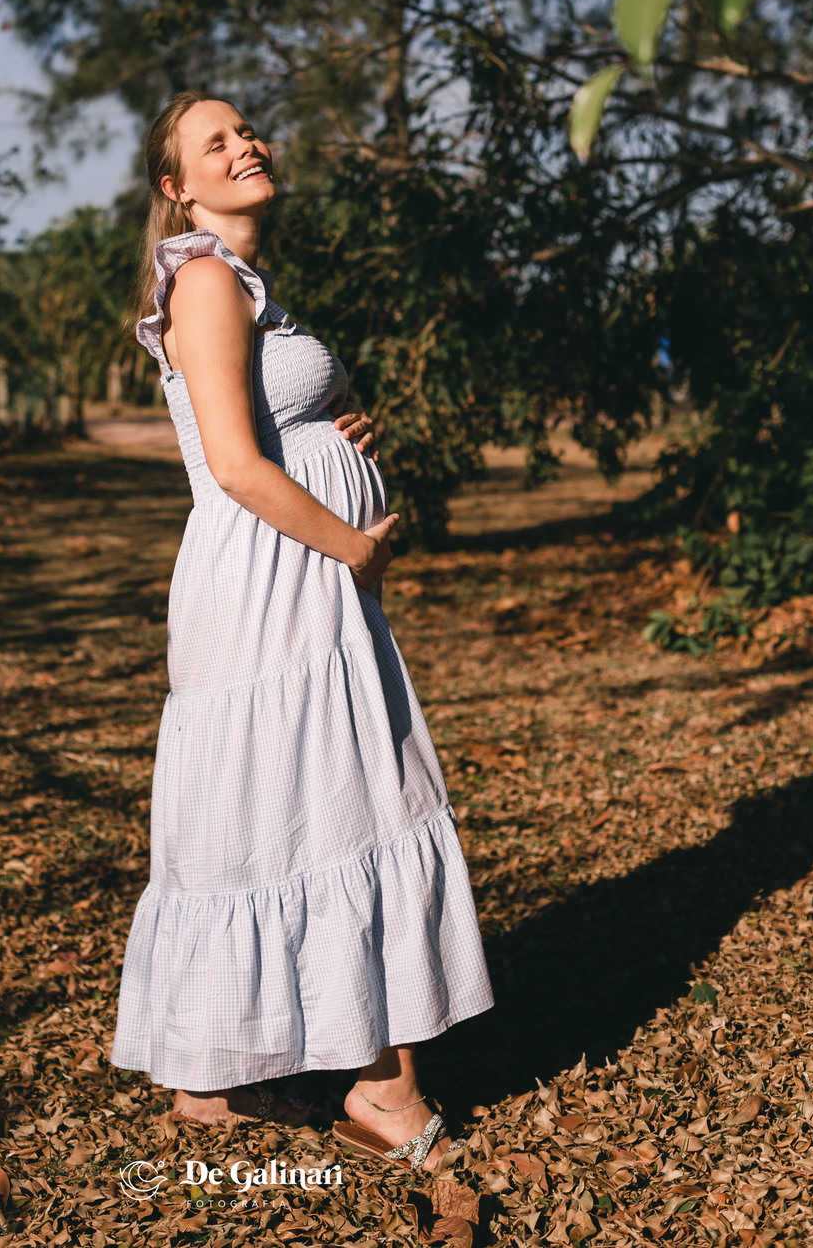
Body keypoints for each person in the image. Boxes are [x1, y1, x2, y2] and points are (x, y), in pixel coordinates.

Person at [110, 91, 492, 1170]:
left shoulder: (244, 287)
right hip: (274, 579)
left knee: (266, 808)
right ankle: (382, 1090)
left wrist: (331, 423)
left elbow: (265, 429)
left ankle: (210, 1076)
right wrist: (354, 546)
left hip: (291, 576)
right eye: (216, 142)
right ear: (177, 187)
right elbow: (234, 467)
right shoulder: (204, 279)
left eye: (246, 130)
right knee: (347, 799)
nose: (246, 145)